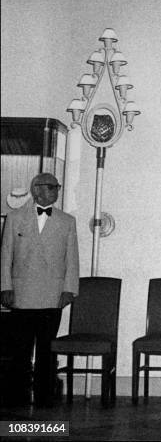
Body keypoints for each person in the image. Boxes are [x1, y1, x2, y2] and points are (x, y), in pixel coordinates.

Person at [1, 173, 79, 408]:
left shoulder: (67, 221)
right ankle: (18, 396)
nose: (56, 190)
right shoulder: (15, 218)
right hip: (22, 293)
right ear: (37, 190)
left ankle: (45, 397)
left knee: (47, 349)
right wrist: (5, 287)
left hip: (53, 294)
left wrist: (69, 290)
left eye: (57, 186)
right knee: (21, 348)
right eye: (52, 186)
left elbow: (72, 259)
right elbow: (6, 256)